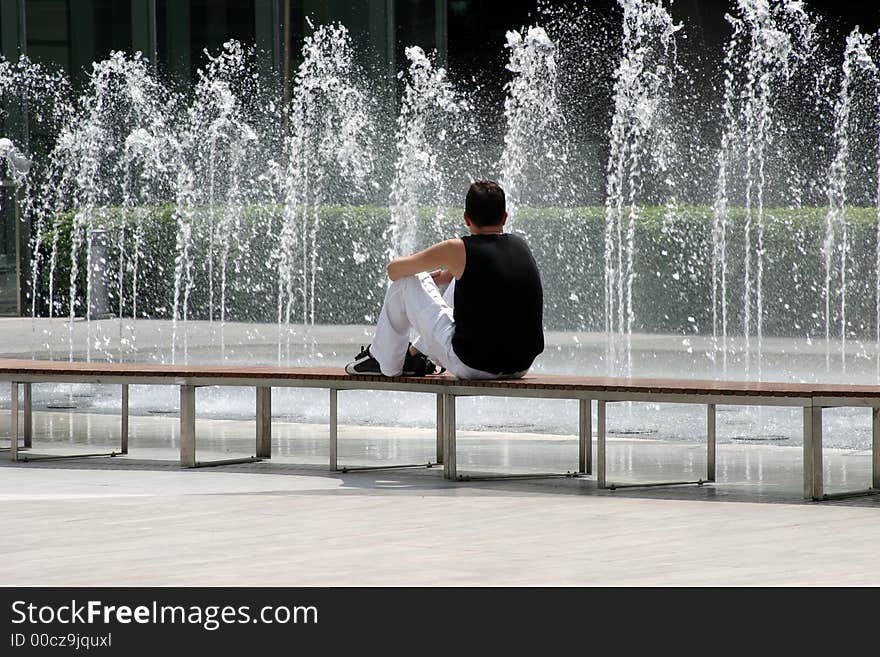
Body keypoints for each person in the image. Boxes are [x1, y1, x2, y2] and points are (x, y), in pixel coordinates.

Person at [345, 180, 544, 379]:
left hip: (473, 365)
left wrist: (421, 277)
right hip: (521, 366)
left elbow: (394, 270)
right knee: (460, 279)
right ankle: (415, 355)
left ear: (466, 218)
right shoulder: (521, 246)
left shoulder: (456, 249)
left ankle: (383, 361)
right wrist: (448, 275)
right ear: (505, 217)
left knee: (406, 283)